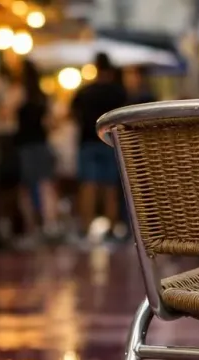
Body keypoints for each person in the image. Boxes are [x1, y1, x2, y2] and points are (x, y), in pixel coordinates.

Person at [70, 52, 127, 242]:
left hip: (87, 142)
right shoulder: (118, 92)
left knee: (88, 185)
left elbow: (72, 114)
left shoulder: (85, 92)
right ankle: (111, 229)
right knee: (110, 186)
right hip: (111, 143)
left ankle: (86, 229)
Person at [6, 59, 60, 247]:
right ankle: (50, 224)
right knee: (45, 184)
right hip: (42, 143)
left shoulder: (17, 93)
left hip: (25, 145)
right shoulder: (42, 96)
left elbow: (4, 115)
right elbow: (53, 123)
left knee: (26, 188)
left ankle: (31, 228)